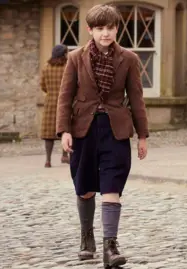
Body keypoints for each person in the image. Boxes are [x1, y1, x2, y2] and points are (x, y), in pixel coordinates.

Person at [55, 4, 149, 268]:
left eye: (110, 28)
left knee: (112, 186)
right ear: (90, 30)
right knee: (84, 187)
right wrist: (64, 131)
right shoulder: (75, 58)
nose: (105, 33)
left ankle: (111, 246)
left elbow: (137, 100)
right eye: (99, 28)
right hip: (83, 130)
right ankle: (87, 238)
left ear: (117, 29)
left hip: (115, 130)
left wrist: (142, 135)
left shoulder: (129, 59)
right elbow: (65, 97)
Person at [40, 44, 70, 168]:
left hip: (50, 102)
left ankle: (48, 160)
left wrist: (51, 92)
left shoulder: (46, 68)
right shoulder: (67, 67)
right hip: (65, 102)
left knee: (48, 133)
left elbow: (42, 85)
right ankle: (64, 156)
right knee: (66, 128)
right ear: (63, 54)